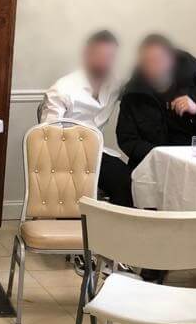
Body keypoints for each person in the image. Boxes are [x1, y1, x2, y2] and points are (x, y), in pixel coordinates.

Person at [41, 30, 132, 206]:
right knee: (119, 179)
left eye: (110, 57)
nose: (104, 62)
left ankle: (115, 223)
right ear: (87, 54)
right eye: (100, 55)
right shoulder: (62, 89)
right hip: (64, 152)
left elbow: (140, 87)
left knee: (127, 180)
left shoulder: (115, 84)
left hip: (97, 152)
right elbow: (47, 135)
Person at [117, 34, 196, 170]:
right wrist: (161, 156)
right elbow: (127, 139)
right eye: (148, 61)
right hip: (156, 163)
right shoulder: (133, 94)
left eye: (159, 59)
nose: (154, 66)